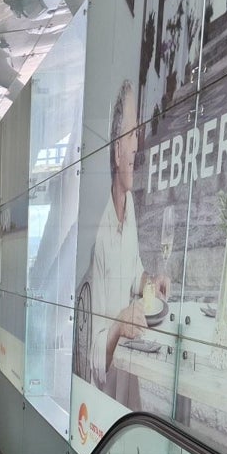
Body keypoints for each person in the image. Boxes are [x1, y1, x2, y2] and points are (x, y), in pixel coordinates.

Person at [84, 79, 168, 400]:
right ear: (117, 149)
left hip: (127, 391)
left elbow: (135, 274)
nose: (138, 145)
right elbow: (90, 355)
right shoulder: (99, 233)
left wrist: (151, 284)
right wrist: (118, 325)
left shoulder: (129, 206)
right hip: (99, 402)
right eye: (132, 134)